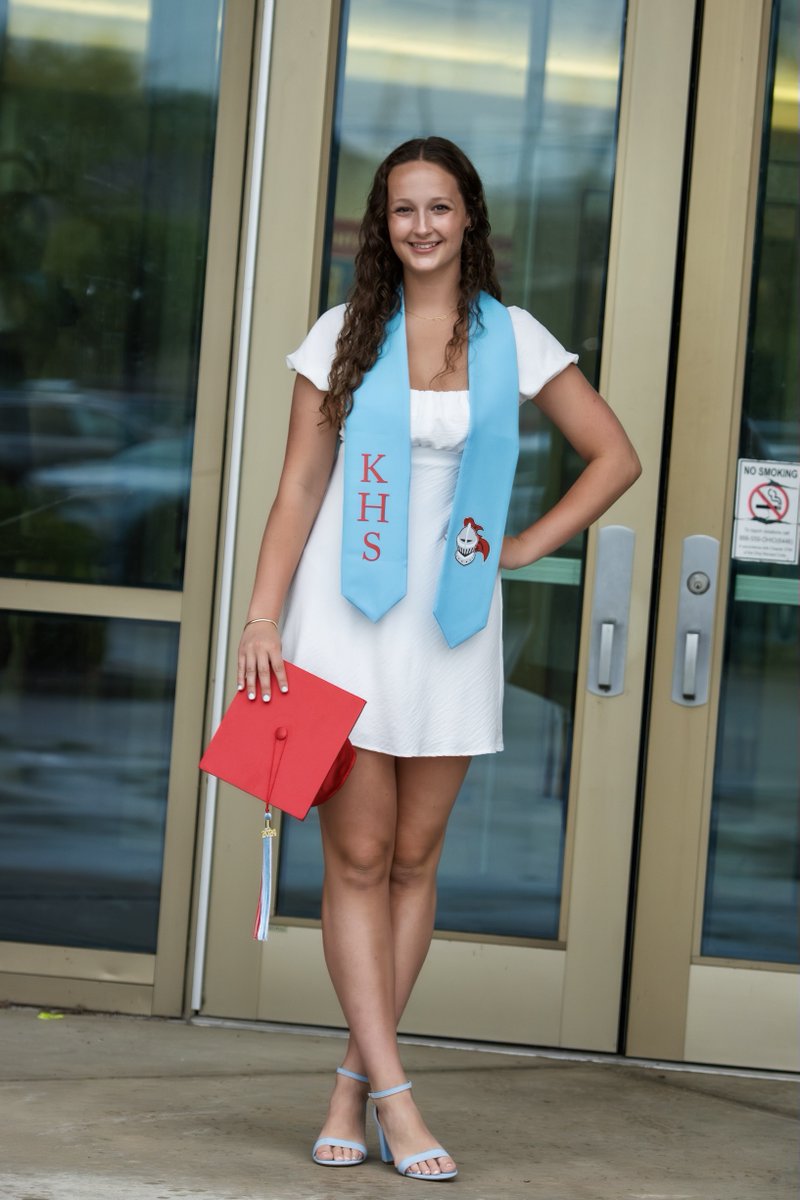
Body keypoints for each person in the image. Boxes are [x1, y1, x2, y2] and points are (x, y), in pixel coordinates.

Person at [237, 136, 641, 1180]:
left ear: (469, 218)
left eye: (439, 207)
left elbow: (614, 455)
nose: (420, 225)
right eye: (402, 208)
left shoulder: (512, 337)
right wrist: (260, 619)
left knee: (415, 861)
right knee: (356, 861)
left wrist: (521, 547)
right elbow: (295, 490)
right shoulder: (342, 334)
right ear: (385, 223)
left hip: (450, 625)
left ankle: (348, 1083)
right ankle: (398, 1099)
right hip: (343, 616)